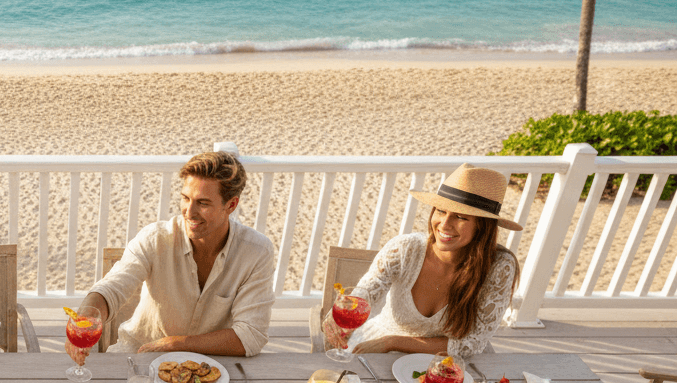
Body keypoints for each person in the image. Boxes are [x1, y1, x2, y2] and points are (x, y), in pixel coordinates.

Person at [67, 151, 275, 361]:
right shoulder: (155, 238)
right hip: (138, 356)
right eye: (186, 198)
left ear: (231, 205)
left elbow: (251, 335)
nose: (189, 212)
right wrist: (86, 315)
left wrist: (177, 344)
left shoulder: (256, 252)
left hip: (210, 367)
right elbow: (111, 288)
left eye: (203, 203)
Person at [323, 163, 521, 357]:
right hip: (376, 346)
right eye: (441, 210)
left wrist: (394, 342)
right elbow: (367, 291)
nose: (444, 224)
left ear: (482, 226)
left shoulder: (499, 267)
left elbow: (472, 344)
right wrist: (344, 310)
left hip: (444, 363)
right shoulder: (404, 249)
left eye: (460, 217)